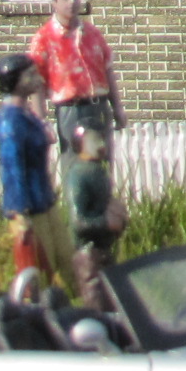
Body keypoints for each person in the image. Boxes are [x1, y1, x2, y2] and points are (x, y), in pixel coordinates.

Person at [0, 54, 76, 294]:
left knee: (67, 257)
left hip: (45, 200)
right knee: (40, 266)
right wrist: (20, 213)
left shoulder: (26, 115)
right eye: (30, 74)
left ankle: (82, 301)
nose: (38, 78)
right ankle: (40, 307)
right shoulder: (10, 122)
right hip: (29, 208)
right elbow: (12, 168)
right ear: (15, 81)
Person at [28, 0, 125, 157]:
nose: (72, 1)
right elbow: (36, 84)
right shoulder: (44, 38)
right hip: (70, 111)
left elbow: (107, 71)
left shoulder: (93, 33)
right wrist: (41, 122)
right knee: (76, 166)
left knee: (102, 166)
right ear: (54, 2)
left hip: (99, 108)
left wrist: (117, 107)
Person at [65, 124, 126, 311]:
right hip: (89, 255)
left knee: (116, 304)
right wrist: (106, 223)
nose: (101, 145)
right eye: (95, 140)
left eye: (102, 139)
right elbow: (79, 222)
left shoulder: (98, 171)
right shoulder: (79, 174)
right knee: (98, 306)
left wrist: (119, 216)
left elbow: (104, 204)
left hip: (104, 250)